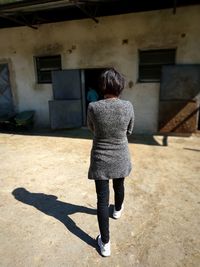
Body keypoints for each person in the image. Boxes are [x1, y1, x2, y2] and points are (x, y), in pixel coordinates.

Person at [87, 68, 134, 257]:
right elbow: (130, 130)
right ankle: (118, 210)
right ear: (120, 86)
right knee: (119, 185)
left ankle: (105, 243)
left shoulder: (93, 107)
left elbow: (92, 128)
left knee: (101, 199)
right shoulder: (128, 106)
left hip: (100, 157)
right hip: (121, 154)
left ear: (102, 86)